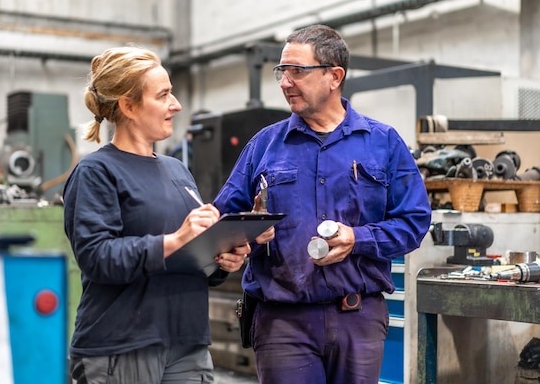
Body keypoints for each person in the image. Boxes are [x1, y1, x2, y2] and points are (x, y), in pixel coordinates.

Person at [213, 25, 432, 384]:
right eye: (281, 72)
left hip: (357, 318)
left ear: (334, 76)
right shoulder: (264, 146)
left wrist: (356, 239)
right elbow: (223, 224)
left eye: (297, 71)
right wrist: (248, 230)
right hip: (283, 323)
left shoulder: (383, 143)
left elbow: (413, 223)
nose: (285, 82)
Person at [62, 46, 251, 384]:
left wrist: (221, 260)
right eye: (163, 95)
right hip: (121, 346)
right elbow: (97, 257)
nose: (176, 105)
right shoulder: (97, 171)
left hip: (187, 342)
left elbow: (190, 259)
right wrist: (176, 238)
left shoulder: (178, 171)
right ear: (129, 105)